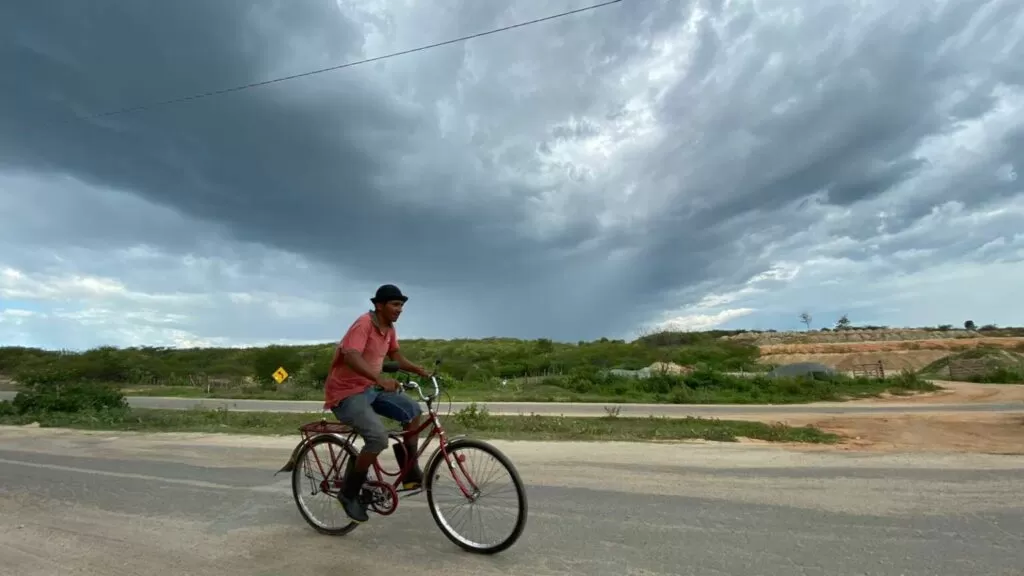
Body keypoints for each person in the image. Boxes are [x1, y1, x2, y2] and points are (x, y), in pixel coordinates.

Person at [324, 283, 431, 523]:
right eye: (395, 305)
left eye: (401, 305)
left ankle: (409, 471)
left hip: (370, 389)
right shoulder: (364, 324)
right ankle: (348, 494)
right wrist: (379, 379)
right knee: (378, 438)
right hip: (347, 393)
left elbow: (395, 356)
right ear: (379, 305)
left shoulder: (389, 329)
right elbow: (351, 356)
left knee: (413, 412)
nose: (399, 309)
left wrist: (417, 369)